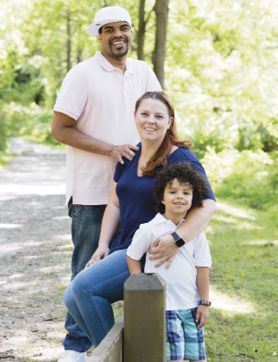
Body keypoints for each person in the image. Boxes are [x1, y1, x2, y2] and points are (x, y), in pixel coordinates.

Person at [64, 91, 216, 358]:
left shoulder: (180, 158)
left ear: (170, 121)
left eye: (159, 116)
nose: (151, 121)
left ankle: (120, 356)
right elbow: (115, 203)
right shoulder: (129, 155)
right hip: (124, 246)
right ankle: (117, 352)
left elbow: (208, 205)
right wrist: (102, 245)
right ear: (134, 117)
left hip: (153, 253)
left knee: (82, 289)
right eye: (144, 114)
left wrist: (176, 240)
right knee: (72, 298)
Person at [51, 5, 161, 361]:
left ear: (130, 32)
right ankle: (76, 346)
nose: (118, 35)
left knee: (135, 266)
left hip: (136, 192)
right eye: (108, 29)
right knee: (87, 266)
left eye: (123, 28)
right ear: (98, 35)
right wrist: (110, 148)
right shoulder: (82, 75)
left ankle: (140, 341)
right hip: (92, 191)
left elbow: (159, 114)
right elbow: (59, 129)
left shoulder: (143, 72)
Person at [126, 163, 212, 362]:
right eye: (173, 191)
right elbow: (132, 256)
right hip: (164, 307)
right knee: (174, 359)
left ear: (193, 199)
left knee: (198, 358)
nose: (180, 196)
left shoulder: (196, 233)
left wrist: (204, 303)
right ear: (161, 197)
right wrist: (141, 287)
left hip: (191, 307)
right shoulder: (149, 229)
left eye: (186, 192)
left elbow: (202, 269)